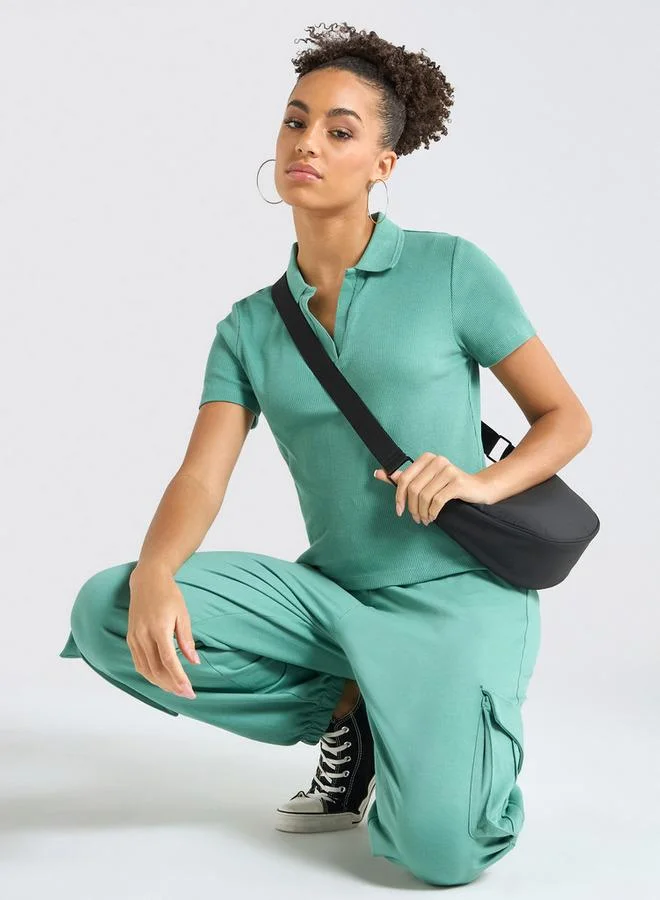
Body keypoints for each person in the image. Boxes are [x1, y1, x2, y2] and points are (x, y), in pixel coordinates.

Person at [58, 22, 592, 887]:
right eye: (295, 121)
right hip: (335, 598)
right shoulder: (249, 327)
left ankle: (443, 740)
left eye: (340, 131)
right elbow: (202, 474)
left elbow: (565, 418)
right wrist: (156, 569)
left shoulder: (450, 270)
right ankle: (350, 709)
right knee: (107, 610)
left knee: (441, 853)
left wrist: (480, 482)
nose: (307, 143)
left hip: (461, 595)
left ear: (383, 163)